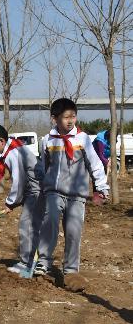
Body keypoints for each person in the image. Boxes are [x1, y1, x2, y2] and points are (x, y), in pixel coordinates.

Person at [33, 98, 108, 279]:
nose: (70, 120)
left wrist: (101, 187)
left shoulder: (82, 139)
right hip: (54, 191)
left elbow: (95, 164)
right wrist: (40, 183)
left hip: (77, 195)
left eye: (73, 116)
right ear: (54, 119)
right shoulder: (48, 140)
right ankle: (44, 262)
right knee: (49, 222)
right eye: (66, 117)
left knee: (74, 231)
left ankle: (71, 269)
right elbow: (43, 165)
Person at [0, 124, 44, 276]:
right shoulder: (10, 147)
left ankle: (28, 263)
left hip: (36, 190)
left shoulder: (14, 153)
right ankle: (27, 261)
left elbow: (19, 181)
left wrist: (11, 202)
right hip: (29, 189)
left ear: (1, 141)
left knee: (27, 225)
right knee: (28, 225)